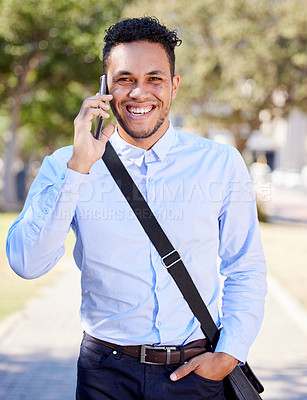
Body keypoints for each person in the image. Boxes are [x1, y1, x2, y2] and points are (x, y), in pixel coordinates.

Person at [6, 16, 267, 400]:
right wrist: (79, 168)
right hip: (105, 374)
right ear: (105, 87)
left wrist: (230, 353)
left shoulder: (220, 163)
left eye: (154, 79)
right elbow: (27, 264)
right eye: (125, 78)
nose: (139, 93)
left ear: (174, 86)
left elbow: (245, 265)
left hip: (196, 372)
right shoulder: (65, 165)